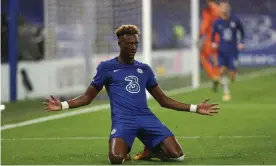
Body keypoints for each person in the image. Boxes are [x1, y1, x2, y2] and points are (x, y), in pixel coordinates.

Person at [44, 24, 220, 164]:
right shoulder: (106, 67)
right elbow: (87, 98)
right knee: (115, 159)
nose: (133, 47)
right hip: (123, 121)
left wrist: (195, 108)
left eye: (136, 43)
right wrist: (63, 105)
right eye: (129, 44)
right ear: (120, 44)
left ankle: (150, 150)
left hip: (146, 118)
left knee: (178, 156)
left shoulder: (144, 69)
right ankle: (125, 149)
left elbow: (164, 101)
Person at [211, 1, 245, 101]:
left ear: (229, 7)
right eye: (222, 7)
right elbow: (213, 34)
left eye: (225, 6)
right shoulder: (217, 22)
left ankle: (229, 76)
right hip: (221, 51)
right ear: (219, 8)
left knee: (232, 75)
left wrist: (241, 42)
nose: (224, 8)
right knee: (221, 70)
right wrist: (213, 43)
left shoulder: (235, 20)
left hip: (233, 51)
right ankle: (226, 92)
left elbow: (242, 31)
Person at [198, 0, 221, 92]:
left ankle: (213, 76)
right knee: (216, 58)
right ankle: (217, 76)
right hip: (220, 38)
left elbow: (204, 26)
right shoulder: (219, 10)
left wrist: (199, 36)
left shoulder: (208, 12)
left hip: (210, 38)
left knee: (203, 56)